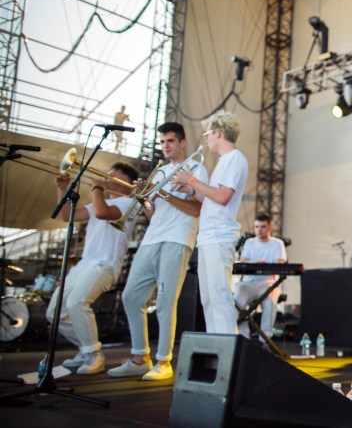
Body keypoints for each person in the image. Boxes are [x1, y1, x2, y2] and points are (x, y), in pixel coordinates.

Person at [107, 122, 208, 381]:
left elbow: (196, 209)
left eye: (170, 141)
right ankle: (140, 357)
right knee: (131, 297)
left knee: (165, 301)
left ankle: (164, 362)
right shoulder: (160, 170)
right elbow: (154, 215)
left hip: (177, 239)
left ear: (183, 142)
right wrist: (146, 198)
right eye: (162, 142)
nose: (165, 146)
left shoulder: (196, 168)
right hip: (153, 238)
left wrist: (164, 194)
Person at [47, 162, 138, 375]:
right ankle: (87, 348)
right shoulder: (102, 200)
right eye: (105, 176)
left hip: (104, 265)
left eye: (112, 176)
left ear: (126, 182)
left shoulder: (130, 203)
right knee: (55, 312)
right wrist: (62, 188)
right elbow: (66, 215)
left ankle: (93, 354)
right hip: (85, 265)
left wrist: (97, 187)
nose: (106, 180)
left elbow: (102, 212)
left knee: (78, 302)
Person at [172, 110, 248, 335]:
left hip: (219, 236)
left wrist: (193, 179)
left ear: (218, 133)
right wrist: (189, 188)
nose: (206, 140)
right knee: (208, 299)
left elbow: (223, 196)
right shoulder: (225, 161)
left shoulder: (235, 158)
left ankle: (227, 353)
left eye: (208, 134)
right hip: (208, 237)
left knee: (219, 297)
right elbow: (211, 198)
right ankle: (217, 351)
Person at [233, 213, 287, 342]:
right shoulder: (249, 243)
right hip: (248, 284)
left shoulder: (277, 244)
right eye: (256, 226)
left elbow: (280, 263)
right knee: (236, 303)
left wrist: (265, 265)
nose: (259, 230)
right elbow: (244, 261)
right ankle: (243, 336)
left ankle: (265, 339)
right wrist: (256, 264)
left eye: (263, 227)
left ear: (269, 228)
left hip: (268, 284)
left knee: (269, 303)